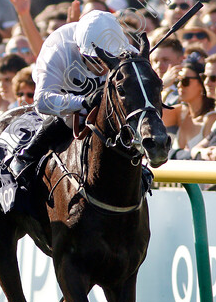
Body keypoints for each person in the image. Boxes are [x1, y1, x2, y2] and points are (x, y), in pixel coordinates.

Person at [8, 10, 134, 184]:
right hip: (65, 93)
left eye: (109, 59)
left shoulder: (124, 48)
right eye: (96, 60)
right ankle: (27, 155)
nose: (103, 66)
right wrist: (83, 101)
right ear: (79, 50)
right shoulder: (57, 50)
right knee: (67, 117)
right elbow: (42, 102)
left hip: (104, 101)